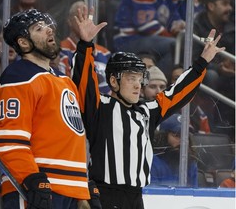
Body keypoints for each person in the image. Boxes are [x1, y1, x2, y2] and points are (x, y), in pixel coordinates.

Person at [71, 22, 225, 208]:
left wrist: (202, 63)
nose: (138, 85)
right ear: (113, 81)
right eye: (130, 78)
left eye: (140, 78)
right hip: (104, 195)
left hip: (136, 198)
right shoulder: (99, 106)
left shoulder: (146, 111)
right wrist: (85, 45)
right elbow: (83, 81)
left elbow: (177, 93)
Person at [0, 8, 106, 208]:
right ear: (24, 43)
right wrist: (31, 178)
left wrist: (81, 188)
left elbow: (83, 121)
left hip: (69, 190)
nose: (49, 30)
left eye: (48, 26)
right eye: (39, 28)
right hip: (36, 189)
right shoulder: (19, 76)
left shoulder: (62, 79)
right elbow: (9, 140)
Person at [113, 0, 186, 80]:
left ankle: (157, 83)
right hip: (128, 40)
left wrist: (180, 26)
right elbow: (146, 26)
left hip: (148, 39)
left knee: (183, 45)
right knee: (173, 45)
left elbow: (174, 21)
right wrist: (172, 36)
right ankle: (154, 80)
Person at [60, 0, 111, 94]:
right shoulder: (60, 50)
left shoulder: (105, 53)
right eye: (79, 16)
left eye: (87, 16)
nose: (84, 19)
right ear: (69, 21)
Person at [150, 114, 198, 187]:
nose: (182, 141)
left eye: (185, 136)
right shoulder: (153, 162)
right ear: (164, 136)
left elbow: (195, 193)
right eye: (176, 135)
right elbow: (151, 194)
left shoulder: (190, 163)